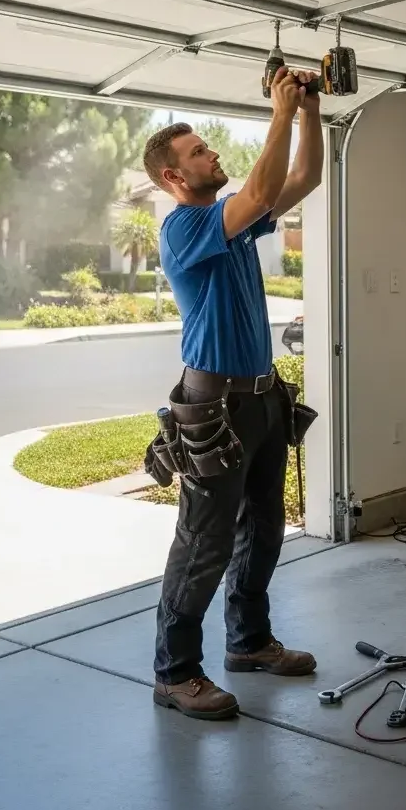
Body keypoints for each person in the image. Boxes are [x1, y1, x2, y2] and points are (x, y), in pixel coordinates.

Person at [141, 67, 322, 720]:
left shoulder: (232, 223)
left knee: (264, 528)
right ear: (173, 177)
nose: (212, 154)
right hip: (213, 404)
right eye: (198, 153)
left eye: (207, 148)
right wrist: (277, 112)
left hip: (263, 397)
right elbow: (267, 185)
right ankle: (175, 672)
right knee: (204, 543)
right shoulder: (185, 228)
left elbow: (303, 181)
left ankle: (248, 643)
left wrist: (307, 113)